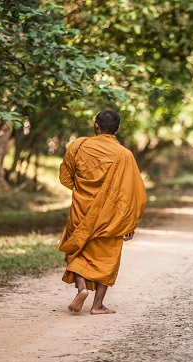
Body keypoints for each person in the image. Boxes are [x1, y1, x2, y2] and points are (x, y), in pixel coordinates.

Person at [57, 110, 146, 314]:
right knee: (107, 258)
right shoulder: (124, 155)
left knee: (78, 249)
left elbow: (65, 176)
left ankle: (81, 289)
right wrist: (130, 222)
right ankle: (97, 305)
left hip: (81, 210)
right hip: (110, 216)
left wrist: (82, 191)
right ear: (118, 129)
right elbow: (135, 192)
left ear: (96, 126)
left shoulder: (78, 146)